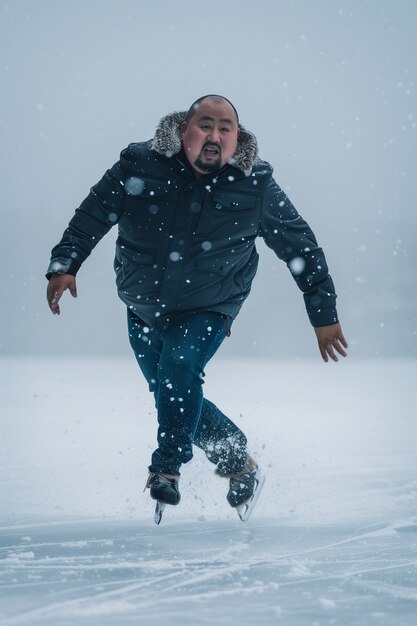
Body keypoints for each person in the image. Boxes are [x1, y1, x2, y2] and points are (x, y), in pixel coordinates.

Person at [46, 94, 348, 517]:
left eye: (225, 128)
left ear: (236, 137)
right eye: (205, 124)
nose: (215, 134)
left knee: (177, 372)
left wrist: (324, 315)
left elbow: (302, 248)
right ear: (182, 129)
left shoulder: (255, 183)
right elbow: (93, 213)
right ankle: (235, 460)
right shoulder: (139, 165)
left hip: (210, 304)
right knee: (172, 391)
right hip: (142, 305)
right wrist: (66, 263)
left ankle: (166, 469)